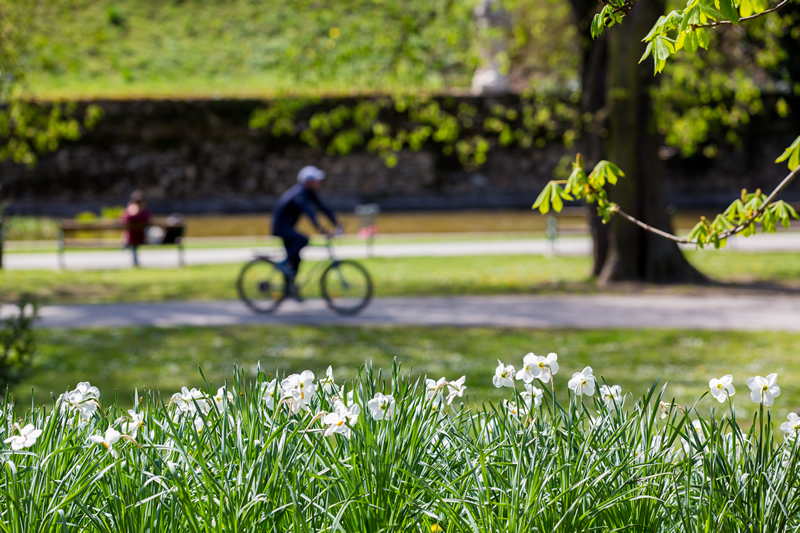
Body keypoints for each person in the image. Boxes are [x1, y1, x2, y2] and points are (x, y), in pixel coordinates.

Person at [272, 166, 341, 294]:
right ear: (308, 182)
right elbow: (309, 212)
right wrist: (320, 229)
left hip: (288, 227)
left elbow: (324, 208)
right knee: (303, 240)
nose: (319, 183)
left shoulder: (309, 193)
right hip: (281, 227)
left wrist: (337, 224)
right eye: (317, 180)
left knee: (296, 259)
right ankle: (283, 264)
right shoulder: (299, 193)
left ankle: (289, 290)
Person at [121, 190, 152, 267]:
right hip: (138, 238)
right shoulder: (144, 213)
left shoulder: (129, 213)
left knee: (130, 236)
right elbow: (150, 220)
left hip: (135, 238)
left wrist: (130, 210)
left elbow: (123, 221)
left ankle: (126, 245)